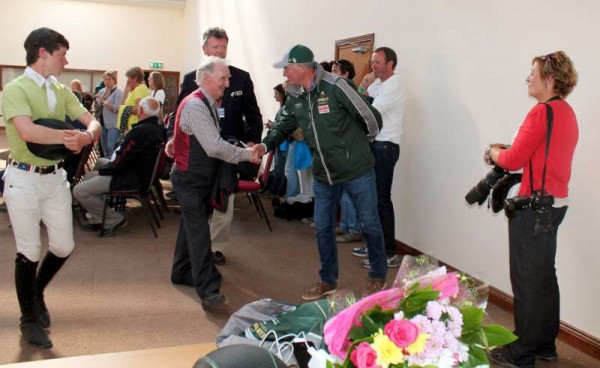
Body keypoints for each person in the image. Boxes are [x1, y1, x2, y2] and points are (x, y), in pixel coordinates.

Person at [252, 44, 388, 300]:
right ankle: (327, 280)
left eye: (287, 68)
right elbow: (283, 125)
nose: (285, 74)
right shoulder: (295, 95)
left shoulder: (336, 87)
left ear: (302, 67)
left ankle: (378, 276)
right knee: (323, 227)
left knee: (370, 224)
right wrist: (264, 144)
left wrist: (358, 146)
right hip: (325, 176)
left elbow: (371, 118)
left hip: (357, 171)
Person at [1, 27, 101, 349]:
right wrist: (69, 138)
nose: (66, 60)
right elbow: (28, 132)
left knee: (63, 245)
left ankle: (37, 290)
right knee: (28, 251)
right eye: (62, 54)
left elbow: (92, 121)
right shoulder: (14, 89)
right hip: (23, 180)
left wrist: (87, 135)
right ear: (43, 52)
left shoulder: (61, 90)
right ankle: (28, 319)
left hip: (55, 179)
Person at [485, 51, 578, 368]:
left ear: (549, 79)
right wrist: (508, 151)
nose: (528, 78)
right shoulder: (566, 112)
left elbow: (512, 160)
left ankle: (522, 351)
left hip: (534, 209)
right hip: (555, 204)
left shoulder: (541, 113)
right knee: (544, 277)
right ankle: (545, 345)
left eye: (533, 73)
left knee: (526, 281)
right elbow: (539, 154)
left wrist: (492, 150)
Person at [166, 56, 258, 308]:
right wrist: (247, 155)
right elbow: (214, 147)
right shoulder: (197, 105)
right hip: (190, 178)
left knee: (190, 227)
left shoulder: (206, 103)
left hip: (198, 177)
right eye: (223, 78)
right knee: (199, 232)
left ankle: (181, 271)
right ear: (205, 78)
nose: (227, 84)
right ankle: (208, 289)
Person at [169, 27, 263, 265]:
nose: (220, 52)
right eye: (215, 47)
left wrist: (251, 142)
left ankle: (216, 248)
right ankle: (195, 253)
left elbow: (254, 115)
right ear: (204, 49)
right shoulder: (193, 78)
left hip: (229, 149)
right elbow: (177, 113)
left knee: (224, 200)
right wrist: (172, 137)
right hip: (199, 151)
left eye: (223, 47)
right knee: (199, 204)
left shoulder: (240, 77)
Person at [73, 97, 166, 237]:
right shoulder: (158, 126)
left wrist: (105, 171)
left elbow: (123, 159)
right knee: (97, 166)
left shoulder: (141, 131)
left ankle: (114, 219)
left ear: (140, 110)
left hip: (129, 176)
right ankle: (101, 214)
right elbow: (126, 157)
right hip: (138, 172)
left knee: (79, 190)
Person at [353, 47, 406, 269]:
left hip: (386, 147)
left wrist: (364, 94)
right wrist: (364, 84)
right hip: (375, 145)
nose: (372, 66)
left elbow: (369, 112)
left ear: (390, 64)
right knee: (370, 198)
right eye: (372, 62)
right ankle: (374, 245)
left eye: (377, 62)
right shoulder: (377, 84)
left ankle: (389, 252)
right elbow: (357, 99)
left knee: (381, 199)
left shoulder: (395, 85)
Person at [331, 59, 362, 244]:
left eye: (335, 71)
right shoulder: (338, 92)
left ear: (345, 74)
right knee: (343, 192)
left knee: (349, 193)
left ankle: (354, 229)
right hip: (340, 149)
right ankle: (344, 225)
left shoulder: (349, 94)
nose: (330, 73)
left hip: (348, 150)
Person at [267, 83, 288, 198]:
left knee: (279, 169)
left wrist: (272, 125)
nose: (274, 96)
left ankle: (276, 192)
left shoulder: (285, 108)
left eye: (276, 93)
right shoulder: (282, 108)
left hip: (283, 143)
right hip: (280, 142)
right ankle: (279, 191)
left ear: (282, 94)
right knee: (279, 168)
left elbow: (283, 125)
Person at [95, 71, 123, 158]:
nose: (106, 81)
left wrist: (103, 101)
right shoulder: (101, 91)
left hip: (113, 124)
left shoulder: (118, 92)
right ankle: (106, 167)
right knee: (104, 148)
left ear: (114, 80)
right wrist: (96, 102)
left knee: (111, 148)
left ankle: (111, 168)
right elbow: (98, 107)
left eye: (109, 79)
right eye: (105, 79)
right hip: (102, 123)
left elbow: (116, 109)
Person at [117, 66, 151, 135]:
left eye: (128, 78)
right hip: (130, 128)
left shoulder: (139, 89)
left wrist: (124, 109)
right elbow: (123, 104)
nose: (127, 81)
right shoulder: (134, 90)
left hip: (134, 128)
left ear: (135, 78)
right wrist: (126, 91)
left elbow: (138, 110)